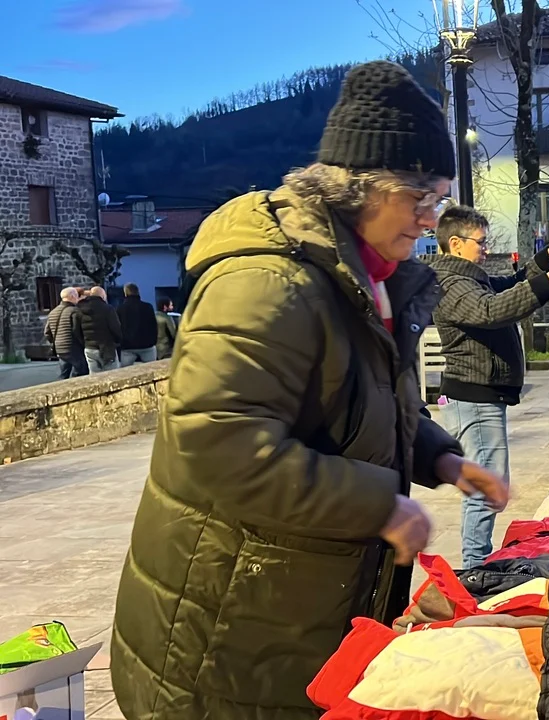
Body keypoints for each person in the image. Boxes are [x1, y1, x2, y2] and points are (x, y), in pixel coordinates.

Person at [111, 61, 508, 720]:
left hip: (289, 614)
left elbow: (359, 400)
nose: (428, 219)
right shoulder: (268, 283)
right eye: (421, 198)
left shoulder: (366, 275)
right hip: (222, 637)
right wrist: (379, 506)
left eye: (437, 201)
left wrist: (438, 457)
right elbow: (218, 444)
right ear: (362, 186)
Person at [428, 205, 549, 569]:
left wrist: (545, 260)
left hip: (480, 395)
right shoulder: (451, 284)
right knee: (486, 485)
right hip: (473, 396)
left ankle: (477, 562)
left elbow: (509, 286)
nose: (486, 248)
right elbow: (491, 310)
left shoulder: (468, 279)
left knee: (487, 482)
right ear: (456, 244)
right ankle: (475, 567)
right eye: (480, 242)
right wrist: (548, 284)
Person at [71, 286, 121, 373]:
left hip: (90, 347)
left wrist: (84, 343)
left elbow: (76, 330)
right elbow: (115, 328)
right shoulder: (108, 309)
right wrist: (117, 341)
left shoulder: (78, 309)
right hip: (107, 347)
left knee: (94, 375)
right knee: (112, 375)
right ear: (102, 296)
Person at [44, 286, 87, 378]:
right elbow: (77, 331)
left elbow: (47, 333)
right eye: (76, 296)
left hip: (60, 349)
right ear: (72, 296)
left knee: (63, 375)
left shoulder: (53, 312)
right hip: (74, 348)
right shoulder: (75, 311)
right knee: (80, 373)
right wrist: (83, 344)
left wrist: (55, 342)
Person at [116, 283, 159, 366]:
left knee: (125, 371)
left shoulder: (120, 308)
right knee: (151, 369)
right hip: (147, 346)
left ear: (125, 293)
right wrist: (153, 341)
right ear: (138, 292)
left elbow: (117, 327)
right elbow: (153, 326)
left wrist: (121, 343)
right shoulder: (148, 307)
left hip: (127, 347)